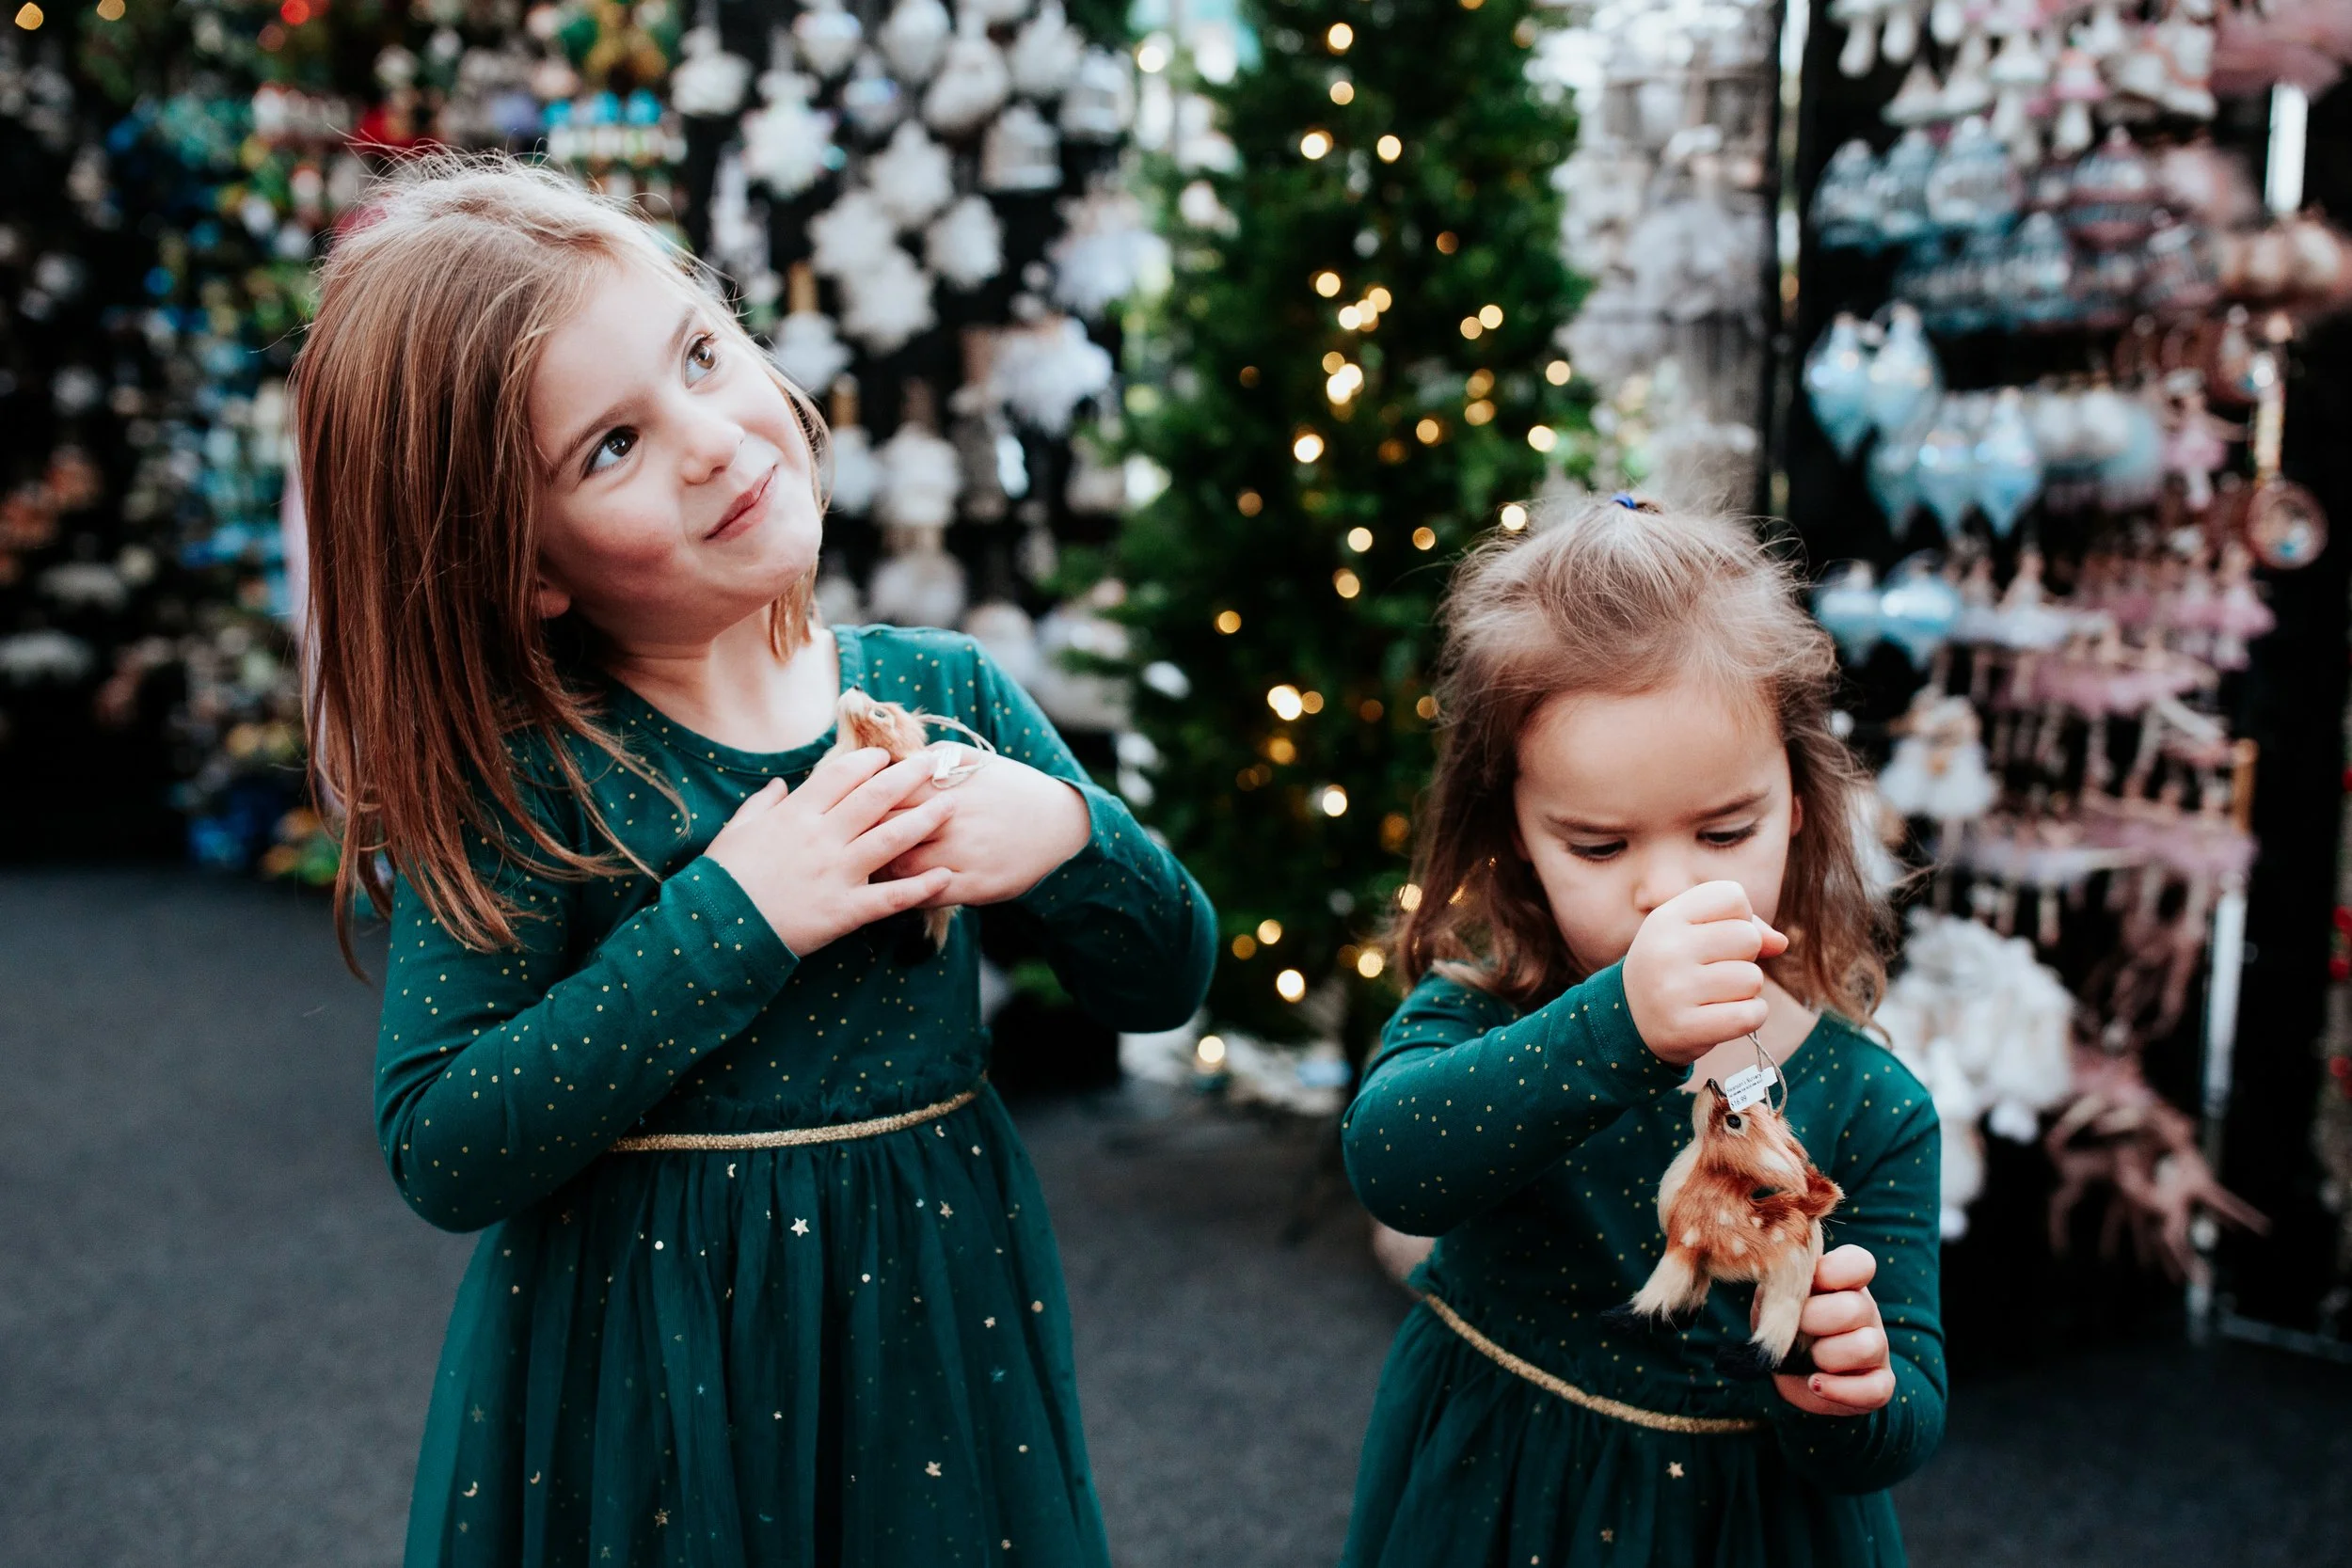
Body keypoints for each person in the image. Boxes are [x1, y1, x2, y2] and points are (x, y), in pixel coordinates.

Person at [292, 154, 1216, 1568]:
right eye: (612, 446)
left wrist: (1069, 838)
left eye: (701, 356)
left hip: (931, 1334)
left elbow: (1166, 976)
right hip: (652, 1380)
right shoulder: (534, 781)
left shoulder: (948, 692)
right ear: (525, 565)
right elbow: (443, 1140)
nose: (715, 441)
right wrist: (733, 918)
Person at [1340, 496, 1943, 1568]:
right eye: (1599, 844)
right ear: (1518, 834)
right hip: (1497, 1494)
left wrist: (1850, 1387)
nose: (1668, 889)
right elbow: (1392, 1166)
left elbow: (1901, 1420)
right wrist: (1618, 1023)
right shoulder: (1484, 1014)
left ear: (1800, 805)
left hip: (1745, 1530)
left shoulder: (1873, 1105)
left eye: (1725, 829)